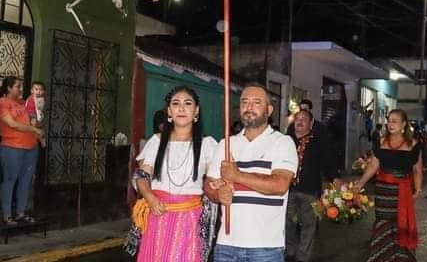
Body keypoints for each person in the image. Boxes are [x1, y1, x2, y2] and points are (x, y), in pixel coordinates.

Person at [206, 84, 298, 262]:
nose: (249, 107)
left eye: (257, 102)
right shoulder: (226, 143)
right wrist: (217, 193)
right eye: (244, 102)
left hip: (265, 248)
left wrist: (237, 176)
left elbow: (279, 185)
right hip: (227, 245)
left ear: (269, 110)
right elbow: (209, 185)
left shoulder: (282, 142)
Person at [132, 86, 218, 261]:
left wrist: (219, 183)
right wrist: (150, 197)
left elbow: (213, 181)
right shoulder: (156, 142)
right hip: (158, 213)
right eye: (176, 104)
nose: (181, 108)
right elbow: (141, 176)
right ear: (169, 111)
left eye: (187, 103)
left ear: (196, 111)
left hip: (190, 219)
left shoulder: (208, 145)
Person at [354, 109, 422, 261]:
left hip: (403, 191)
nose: (390, 124)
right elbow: (372, 166)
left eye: (394, 121)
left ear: (404, 124)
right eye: (389, 121)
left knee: (401, 223)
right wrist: (360, 184)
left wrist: (417, 189)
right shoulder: (381, 142)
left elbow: (417, 169)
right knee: (383, 223)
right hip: (383, 191)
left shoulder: (413, 144)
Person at [285, 110, 341, 262]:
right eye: (297, 119)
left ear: (311, 124)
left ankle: (303, 256)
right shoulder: (285, 141)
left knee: (308, 225)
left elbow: (327, 162)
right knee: (287, 221)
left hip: (310, 190)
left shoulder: (318, 142)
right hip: (287, 189)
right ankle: (290, 251)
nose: (300, 121)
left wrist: (334, 177)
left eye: (304, 119)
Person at [0, 77, 43, 225]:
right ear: (8, 88)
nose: (20, 89)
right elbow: (12, 124)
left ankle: (21, 212)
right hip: (12, 147)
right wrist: (33, 129)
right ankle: (7, 214)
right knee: (9, 180)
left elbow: (36, 121)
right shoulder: (1, 103)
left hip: (31, 147)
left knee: (26, 181)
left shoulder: (24, 103)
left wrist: (39, 112)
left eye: (21, 86)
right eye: (17, 86)